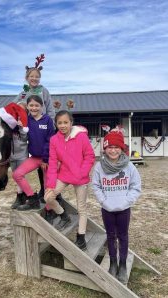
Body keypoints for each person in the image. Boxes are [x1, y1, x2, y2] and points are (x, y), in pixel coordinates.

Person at [92, 129, 141, 284]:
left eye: (116, 147)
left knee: (123, 236)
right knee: (110, 235)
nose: (113, 150)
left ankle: (122, 265)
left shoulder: (129, 167)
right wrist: (104, 201)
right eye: (109, 147)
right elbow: (96, 186)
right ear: (105, 148)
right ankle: (113, 262)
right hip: (107, 208)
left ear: (122, 148)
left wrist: (126, 201)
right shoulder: (100, 167)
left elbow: (136, 186)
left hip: (123, 209)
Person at [44, 110, 95, 250]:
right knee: (48, 197)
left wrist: (82, 172)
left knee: (81, 208)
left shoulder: (81, 137)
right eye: (59, 123)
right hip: (65, 174)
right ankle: (63, 215)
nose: (62, 125)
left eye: (65, 122)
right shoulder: (54, 140)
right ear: (56, 124)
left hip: (81, 177)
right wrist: (50, 184)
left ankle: (81, 237)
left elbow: (90, 156)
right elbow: (53, 163)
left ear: (71, 123)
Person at [13, 95, 55, 210]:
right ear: (28, 106)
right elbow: (21, 134)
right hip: (35, 158)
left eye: (37, 105)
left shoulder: (47, 120)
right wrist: (20, 127)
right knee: (17, 174)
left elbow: (50, 141)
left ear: (41, 107)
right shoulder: (26, 120)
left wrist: (46, 160)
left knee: (48, 189)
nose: (34, 108)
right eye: (31, 105)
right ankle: (32, 199)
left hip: (47, 159)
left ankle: (49, 211)